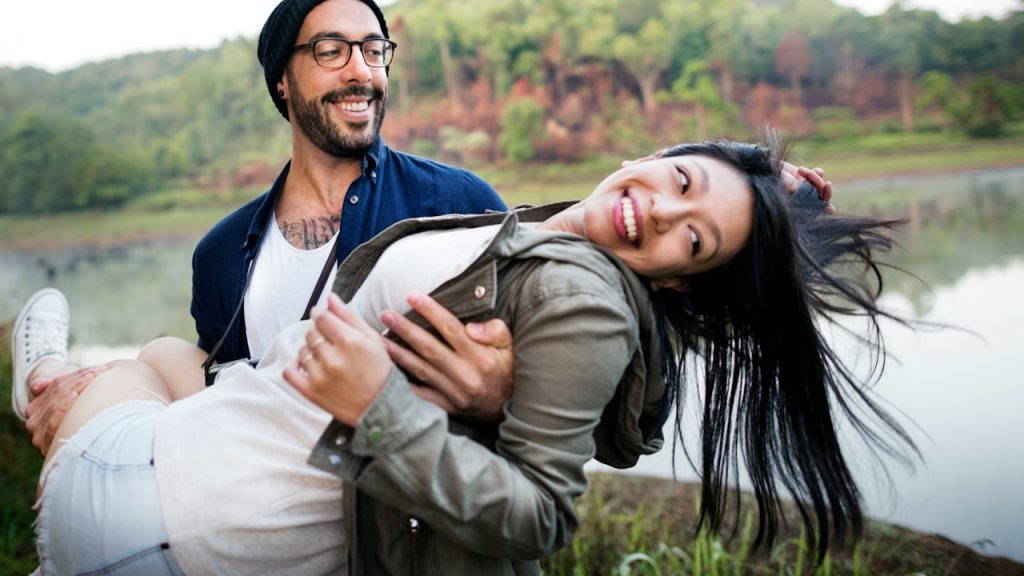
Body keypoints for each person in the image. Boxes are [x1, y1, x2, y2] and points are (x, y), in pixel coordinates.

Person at [11, 137, 909, 575]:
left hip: (150, 525)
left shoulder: (583, 295)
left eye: (694, 242)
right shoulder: (546, 238)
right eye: (680, 178)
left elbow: (540, 517)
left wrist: (381, 406)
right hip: (186, 499)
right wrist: (773, 184)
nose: (661, 211)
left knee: (98, 383)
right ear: (664, 148)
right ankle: (78, 394)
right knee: (171, 354)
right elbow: (583, 292)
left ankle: (42, 383)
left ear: (681, 284)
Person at [21, 0, 518, 454]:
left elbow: (546, 367)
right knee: (159, 362)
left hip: (398, 515)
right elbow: (215, 401)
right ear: (282, 78)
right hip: (259, 498)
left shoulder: (456, 203)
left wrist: (499, 394)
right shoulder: (220, 253)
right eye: (331, 51)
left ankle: (45, 373)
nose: (361, 71)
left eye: (373, 50)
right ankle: (53, 379)